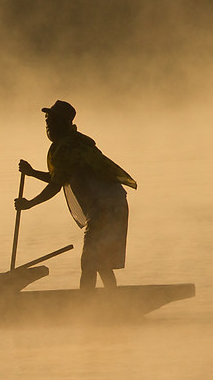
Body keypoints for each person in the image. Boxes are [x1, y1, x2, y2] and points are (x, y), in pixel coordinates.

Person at [16, 100, 137, 290]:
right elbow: (61, 177)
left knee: (89, 260)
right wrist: (32, 173)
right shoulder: (76, 143)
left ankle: (86, 301)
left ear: (63, 123)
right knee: (100, 260)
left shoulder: (67, 148)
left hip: (104, 206)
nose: (48, 125)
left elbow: (56, 185)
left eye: (52, 121)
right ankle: (111, 297)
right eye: (47, 121)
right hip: (116, 203)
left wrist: (30, 203)